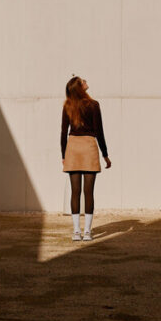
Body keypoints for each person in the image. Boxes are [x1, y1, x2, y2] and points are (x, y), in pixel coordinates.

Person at [61, 76, 111, 241]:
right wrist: (105, 155)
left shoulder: (67, 105)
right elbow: (100, 132)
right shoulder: (94, 105)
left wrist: (63, 155)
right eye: (83, 81)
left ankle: (76, 232)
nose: (86, 81)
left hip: (73, 148)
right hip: (89, 147)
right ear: (80, 87)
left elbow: (63, 133)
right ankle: (87, 232)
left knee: (75, 192)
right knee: (88, 192)